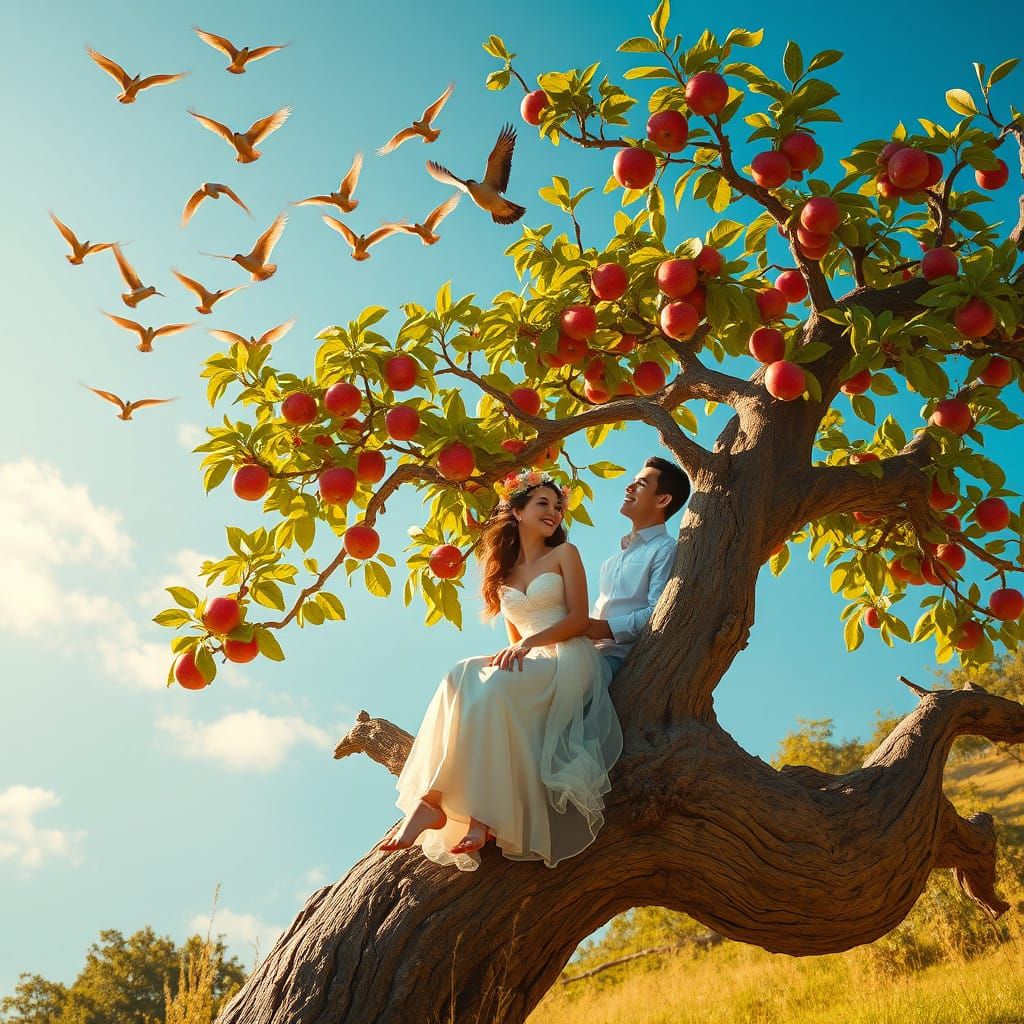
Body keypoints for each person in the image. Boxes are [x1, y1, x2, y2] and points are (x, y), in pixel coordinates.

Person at [381, 469, 623, 871]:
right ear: (518, 511)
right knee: (460, 674)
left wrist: (529, 644)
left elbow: (579, 619)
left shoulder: (565, 554)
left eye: (558, 506)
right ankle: (434, 801)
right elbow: (514, 640)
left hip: (570, 657)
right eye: (543, 503)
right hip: (532, 659)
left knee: (491, 688)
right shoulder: (503, 575)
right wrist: (517, 650)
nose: (554, 512)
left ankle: (479, 817)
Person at [585, 457, 690, 677]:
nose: (629, 487)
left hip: (615, 662)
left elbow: (658, 612)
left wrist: (602, 628)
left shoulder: (665, 549)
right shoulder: (612, 561)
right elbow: (597, 613)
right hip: (587, 653)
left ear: (662, 500)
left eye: (641, 484)